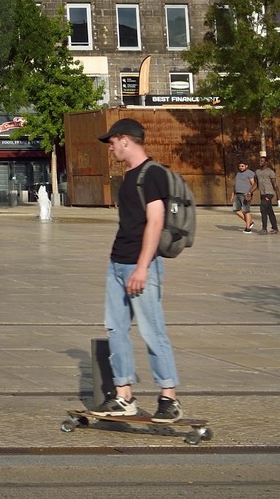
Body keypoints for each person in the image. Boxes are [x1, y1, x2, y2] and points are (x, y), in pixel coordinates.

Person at [92, 119, 182, 420]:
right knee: (115, 328)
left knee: (151, 329)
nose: (111, 148)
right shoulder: (129, 175)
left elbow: (155, 221)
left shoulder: (153, 174)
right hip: (117, 262)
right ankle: (123, 395)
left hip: (140, 265)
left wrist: (142, 267)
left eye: (112, 142)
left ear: (125, 140)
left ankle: (169, 398)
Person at [255, 158, 280, 235]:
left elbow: (274, 184)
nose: (260, 162)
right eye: (259, 160)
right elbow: (256, 184)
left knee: (263, 209)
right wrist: (250, 192)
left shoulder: (270, 172)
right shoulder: (257, 172)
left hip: (269, 193)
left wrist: (279, 196)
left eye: (262, 161)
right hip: (262, 194)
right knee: (270, 211)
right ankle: (275, 228)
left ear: (266, 162)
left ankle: (264, 228)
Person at [232, 160, 256, 232]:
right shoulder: (238, 174)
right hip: (237, 194)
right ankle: (250, 222)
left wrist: (249, 193)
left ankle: (247, 228)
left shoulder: (250, 173)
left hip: (245, 194)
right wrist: (232, 194)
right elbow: (235, 184)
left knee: (246, 210)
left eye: (242, 166)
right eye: (239, 166)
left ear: (246, 166)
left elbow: (253, 184)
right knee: (236, 210)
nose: (241, 168)